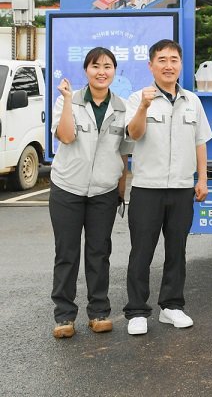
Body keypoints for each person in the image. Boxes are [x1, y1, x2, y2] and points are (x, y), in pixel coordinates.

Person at [123, 39, 211, 336]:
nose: (168, 65)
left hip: (182, 188)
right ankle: (137, 310)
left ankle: (171, 306)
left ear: (181, 64)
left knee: (177, 250)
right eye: (162, 59)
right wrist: (145, 107)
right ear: (151, 65)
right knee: (142, 251)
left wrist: (202, 179)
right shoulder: (138, 98)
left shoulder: (192, 101)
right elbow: (133, 134)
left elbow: (200, 141)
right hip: (148, 188)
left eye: (174, 59)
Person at [49, 48, 131, 339]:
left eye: (107, 66)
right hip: (67, 189)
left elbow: (123, 154)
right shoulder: (66, 101)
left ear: (114, 71)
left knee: (99, 252)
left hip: (104, 192)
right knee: (67, 253)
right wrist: (70, 100)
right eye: (96, 66)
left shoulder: (121, 108)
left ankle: (99, 312)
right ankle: (64, 316)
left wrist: (121, 190)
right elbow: (67, 136)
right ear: (86, 70)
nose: (101, 71)